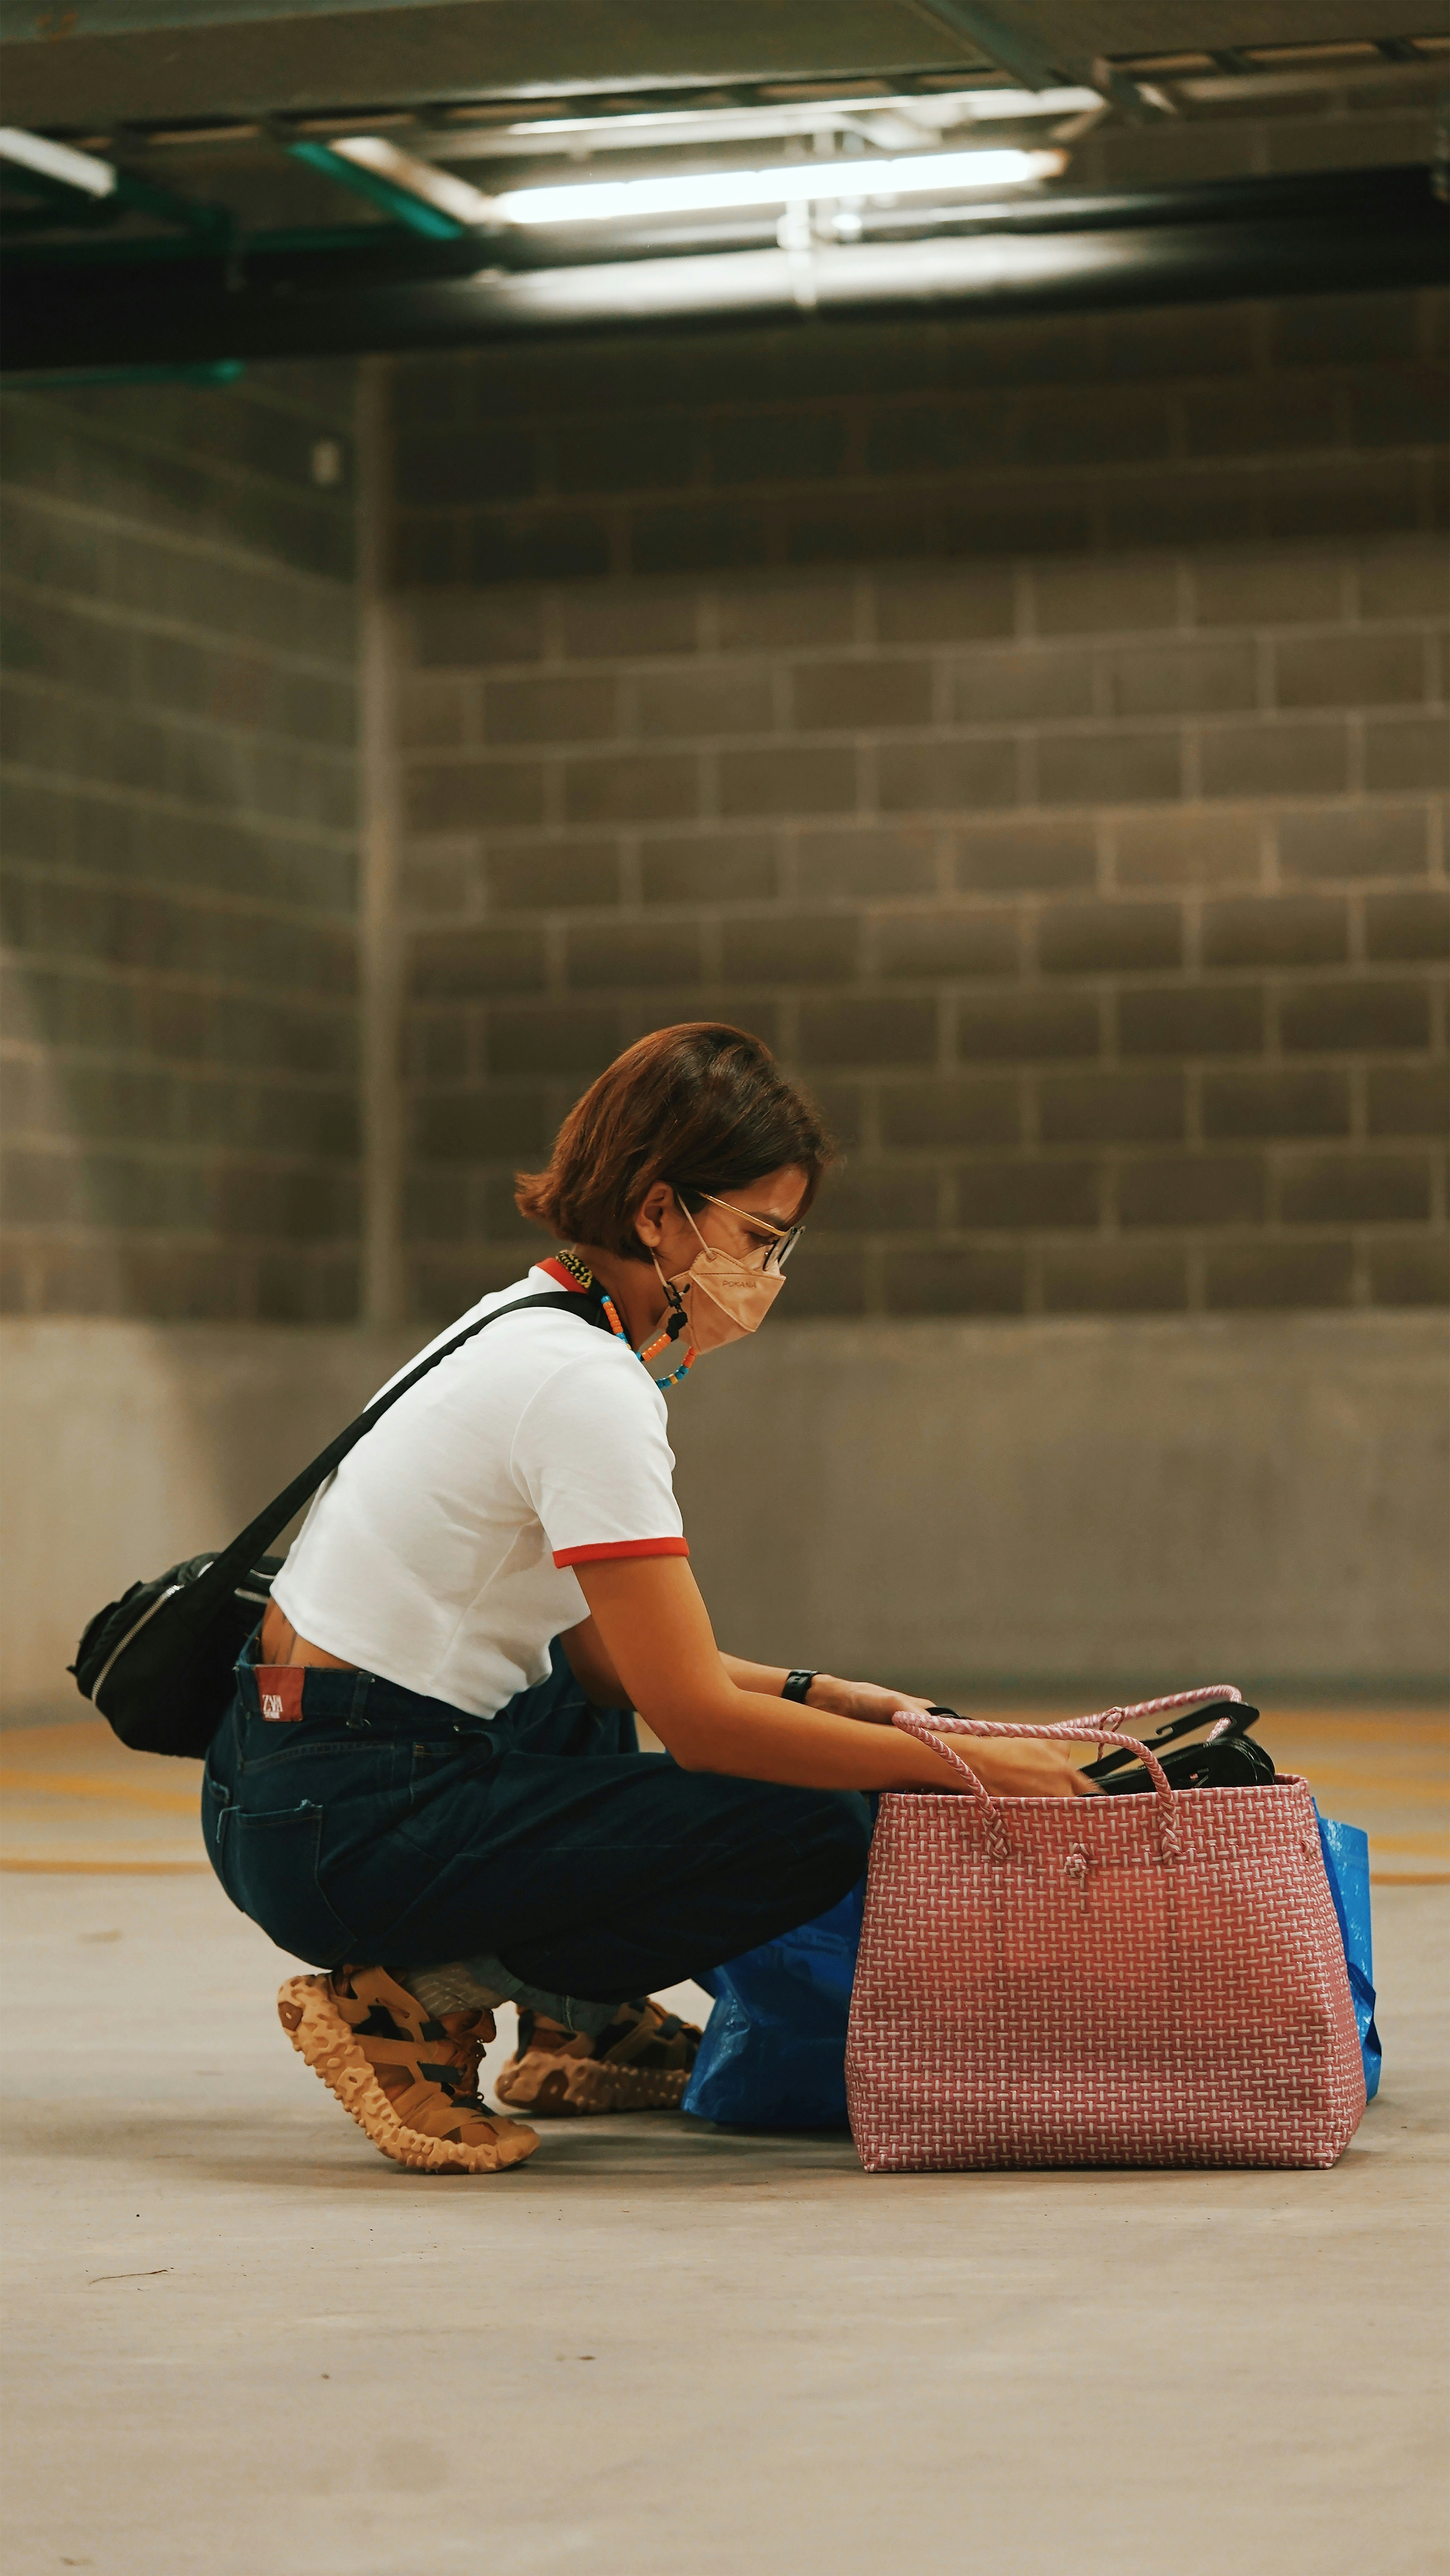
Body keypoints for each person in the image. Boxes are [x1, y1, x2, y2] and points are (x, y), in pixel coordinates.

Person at [203, 1023, 1096, 2175]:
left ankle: (580, 2016)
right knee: (815, 1822)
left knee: (595, 1699)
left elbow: (611, 1662)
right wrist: (972, 1766)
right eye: (758, 1236)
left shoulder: (518, 1318)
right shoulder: (588, 1386)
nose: (768, 1276)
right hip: (351, 1820)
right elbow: (698, 1718)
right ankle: (412, 2001)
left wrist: (843, 1699)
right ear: (660, 1211)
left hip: (278, 1783)